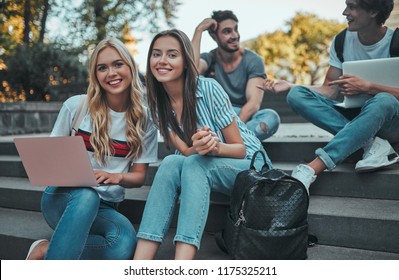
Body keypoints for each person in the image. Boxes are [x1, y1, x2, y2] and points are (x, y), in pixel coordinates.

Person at [133, 29, 271, 260]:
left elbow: (241, 149)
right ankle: (140, 264)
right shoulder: (157, 105)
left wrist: (214, 147)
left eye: (172, 55)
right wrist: (199, 147)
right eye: (156, 54)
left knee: (196, 164)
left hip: (252, 167)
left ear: (186, 62)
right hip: (204, 165)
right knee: (170, 162)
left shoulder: (208, 89)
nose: (162, 61)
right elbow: (186, 151)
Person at [25, 38, 158, 260]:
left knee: (123, 244)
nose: (111, 73)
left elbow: (139, 177)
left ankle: (45, 250)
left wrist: (116, 176)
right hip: (62, 199)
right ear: (95, 75)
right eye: (102, 68)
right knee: (87, 195)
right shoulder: (76, 106)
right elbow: (49, 160)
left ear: (130, 67)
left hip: (105, 206)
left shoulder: (145, 119)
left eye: (118, 64)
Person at [259, 0, 399, 192]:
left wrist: (369, 87)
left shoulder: (396, 41)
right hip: (355, 116)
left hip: (391, 122)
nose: (344, 12)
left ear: (373, 11)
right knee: (296, 94)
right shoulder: (342, 41)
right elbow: (329, 90)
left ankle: (313, 168)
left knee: (384, 100)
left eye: (352, 7)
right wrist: (292, 86)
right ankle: (370, 142)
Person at [191, 10, 280, 141]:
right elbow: (191, 73)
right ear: (214, 36)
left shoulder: (253, 60)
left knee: (270, 118)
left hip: (241, 115)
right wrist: (198, 30)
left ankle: (225, 143)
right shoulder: (209, 58)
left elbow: (253, 104)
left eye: (235, 29)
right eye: (227, 31)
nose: (235, 35)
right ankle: (238, 143)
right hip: (214, 117)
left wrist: (233, 131)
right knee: (197, 81)